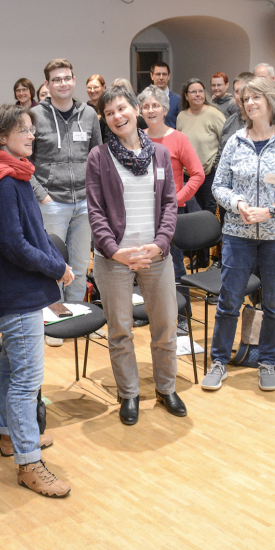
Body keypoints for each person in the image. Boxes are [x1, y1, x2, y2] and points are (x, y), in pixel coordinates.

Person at [0, 104, 69, 497]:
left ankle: (10, 436)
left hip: (14, 290)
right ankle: (28, 462)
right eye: (22, 130)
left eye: (31, 129)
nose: (31, 135)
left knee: (12, 368)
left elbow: (31, 235)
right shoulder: (6, 182)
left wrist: (53, 261)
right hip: (16, 293)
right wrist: (55, 267)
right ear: (0, 137)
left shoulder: (11, 175)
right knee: (27, 380)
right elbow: (15, 245)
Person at [200, 77, 275, 392]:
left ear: (269, 101)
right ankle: (220, 361)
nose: (249, 103)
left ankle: (267, 362)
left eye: (255, 98)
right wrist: (237, 204)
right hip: (238, 233)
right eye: (245, 99)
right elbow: (219, 185)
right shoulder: (235, 141)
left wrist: (273, 210)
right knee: (229, 301)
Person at [87, 86, 185, 423]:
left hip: (156, 256)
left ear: (136, 109)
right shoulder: (98, 157)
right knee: (120, 331)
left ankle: (166, 388)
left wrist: (160, 244)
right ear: (105, 119)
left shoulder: (158, 154)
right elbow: (96, 212)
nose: (117, 116)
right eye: (109, 112)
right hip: (115, 260)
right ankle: (129, 394)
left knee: (165, 326)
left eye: (122, 108)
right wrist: (116, 252)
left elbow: (170, 203)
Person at [29, 58, 103, 347]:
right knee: (54, 263)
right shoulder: (35, 116)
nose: (63, 83)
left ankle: (80, 315)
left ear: (74, 80)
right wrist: (41, 194)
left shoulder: (89, 115)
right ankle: (57, 318)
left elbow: (97, 156)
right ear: (47, 84)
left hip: (85, 201)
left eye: (67, 78)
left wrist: (96, 193)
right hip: (52, 201)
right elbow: (23, 160)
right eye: (56, 79)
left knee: (81, 263)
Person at [140, 85, 205, 335]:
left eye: (155, 105)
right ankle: (151, 312)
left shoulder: (178, 139)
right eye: (146, 106)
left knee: (175, 267)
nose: (151, 110)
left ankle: (181, 316)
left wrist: (178, 200)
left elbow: (197, 174)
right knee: (146, 266)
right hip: (143, 214)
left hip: (171, 214)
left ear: (165, 109)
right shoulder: (137, 138)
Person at [176, 78, 226, 226]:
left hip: (209, 173)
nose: (198, 95)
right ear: (186, 96)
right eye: (193, 92)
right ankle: (193, 248)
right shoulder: (181, 116)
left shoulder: (213, 113)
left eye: (201, 91)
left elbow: (226, 140)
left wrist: (217, 162)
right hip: (187, 176)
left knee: (209, 213)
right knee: (191, 214)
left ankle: (209, 248)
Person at [219, 71, 255, 155]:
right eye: (237, 92)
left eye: (244, 91)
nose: (240, 96)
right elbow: (220, 155)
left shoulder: (262, 123)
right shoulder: (229, 122)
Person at [150, 62, 181, 128]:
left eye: (164, 74)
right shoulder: (143, 100)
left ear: (168, 76)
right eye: (158, 74)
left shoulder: (178, 100)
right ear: (152, 76)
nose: (161, 77)